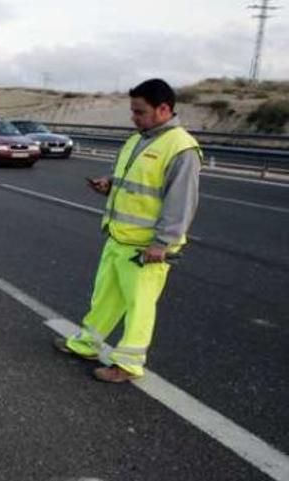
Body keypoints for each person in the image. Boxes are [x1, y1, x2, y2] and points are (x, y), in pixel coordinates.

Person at [55, 79, 202, 383]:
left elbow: (181, 202)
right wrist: (109, 182)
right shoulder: (138, 139)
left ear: (164, 109)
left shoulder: (181, 148)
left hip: (145, 249)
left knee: (139, 308)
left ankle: (128, 365)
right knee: (104, 298)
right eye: (132, 110)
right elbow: (132, 177)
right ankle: (86, 344)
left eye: (139, 111)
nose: (133, 117)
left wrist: (162, 243)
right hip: (119, 238)